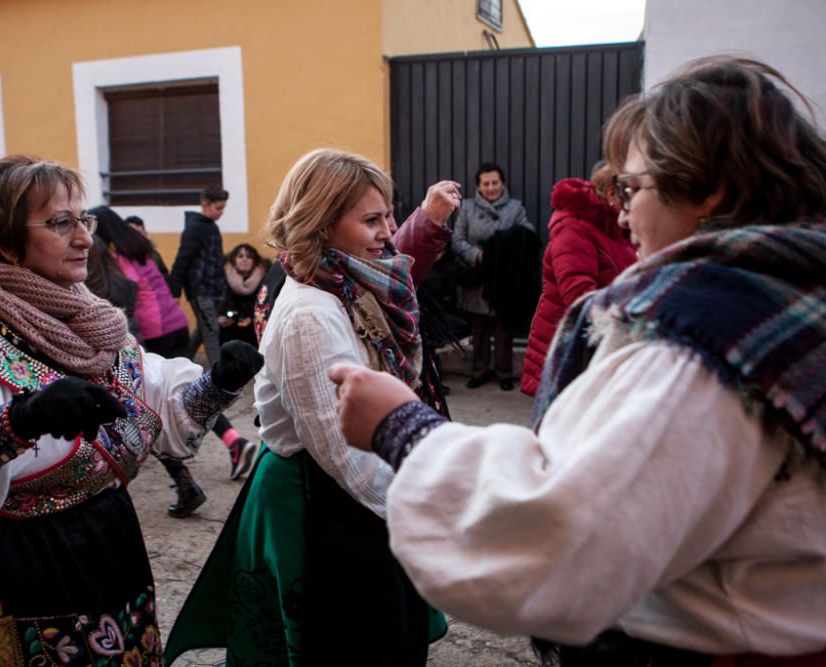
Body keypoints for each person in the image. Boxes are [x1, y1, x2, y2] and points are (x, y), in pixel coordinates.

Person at [329, 56, 826, 665]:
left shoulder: (701, 342)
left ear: (710, 190)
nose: (621, 211)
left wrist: (402, 427)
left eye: (633, 188)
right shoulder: (790, 298)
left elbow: (561, 539)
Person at [0, 155, 263, 666]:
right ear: (7, 242)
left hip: (104, 553)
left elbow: (161, 407)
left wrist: (219, 382)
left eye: (83, 220)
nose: (84, 238)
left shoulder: (95, 328)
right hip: (13, 572)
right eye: (59, 223)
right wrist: (16, 421)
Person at [165, 150, 455, 666]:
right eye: (371, 219)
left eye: (390, 214)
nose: (389, 231)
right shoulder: (310, 314)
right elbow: (340, 450)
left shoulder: (351, 286)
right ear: (321, 225)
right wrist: (420, 508)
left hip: (350, 495)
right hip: (322, 504)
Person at [94, 206, 256, 518]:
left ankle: (185, 481)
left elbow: (122, 297)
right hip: (175, 324)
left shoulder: (114, 258)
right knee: (181, 394)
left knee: (149, 405)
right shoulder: (144, 249)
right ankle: (233, 441)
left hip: (151, 330)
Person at [520, 162, 636, 396]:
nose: (635, 199)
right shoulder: (574, 229)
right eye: (630, 190)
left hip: (596, 352)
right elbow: (580, 298)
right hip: (572, 355)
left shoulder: (615, 228)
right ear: (612, 194)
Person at [452, 163, 535, 390]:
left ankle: (504, 372)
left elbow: (527, 236)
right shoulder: (467, 208)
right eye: (486, 183)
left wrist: (504, 251)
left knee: (503, 327)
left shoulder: (515, 208)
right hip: (478, 275)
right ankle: (479, 371)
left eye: (495, 183)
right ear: (479, 186)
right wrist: (477, 255)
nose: (491, 188)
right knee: (479, 329)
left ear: (502, 184)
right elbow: (457, 240)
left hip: (504, 279)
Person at [167, 185, 230, 366]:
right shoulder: (194, 228)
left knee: (204, 329)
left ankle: (183, 361)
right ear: (205, 204)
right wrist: (175, 291)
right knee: (211, 330)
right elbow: (182, 260)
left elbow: (215, 259)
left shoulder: (212, 228)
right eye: (218, 208)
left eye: (223, 208)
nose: (221, 213)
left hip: (215, 289)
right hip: (200, 290)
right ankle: (219, 374)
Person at [219, 243, 267, 347]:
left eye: (249, 257)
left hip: (254, 334)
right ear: (234, 260)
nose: (244, 259)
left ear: (254, 261)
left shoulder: (264, 281)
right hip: (229, 332)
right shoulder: (223, 279)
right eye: (240, 256)